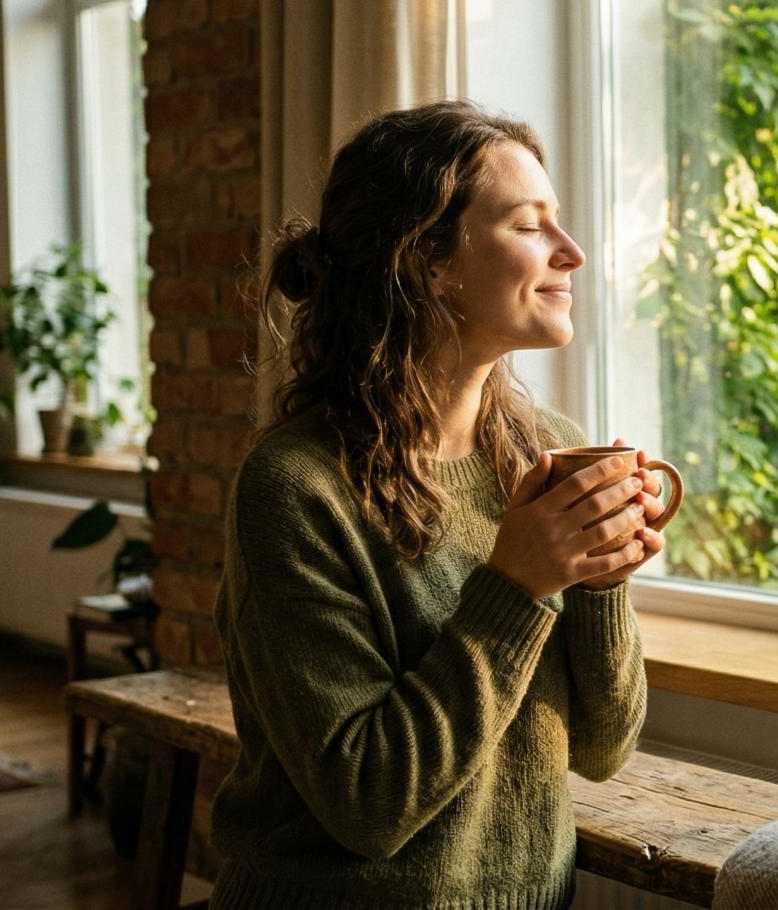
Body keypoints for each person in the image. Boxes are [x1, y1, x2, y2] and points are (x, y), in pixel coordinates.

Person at [207, 100, 666, 909]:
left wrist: (597, 580)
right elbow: (367, 804)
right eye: (530, 226)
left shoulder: (545, 454)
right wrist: (518, 584)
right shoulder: (294, 487)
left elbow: (602, 748)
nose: (573, 253)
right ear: (426, 260)